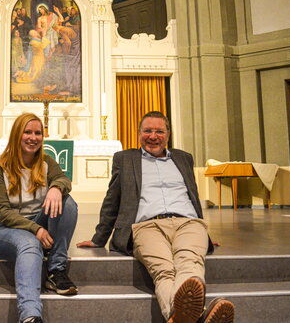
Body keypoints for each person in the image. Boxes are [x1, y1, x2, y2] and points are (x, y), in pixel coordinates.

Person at [77, 111, 234, 323]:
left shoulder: (183, 158)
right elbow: (112, 199)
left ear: (168, 134)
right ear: (138, 133)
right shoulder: (125, 159)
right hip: (147, 226)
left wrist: (203, 234)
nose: (153, 136)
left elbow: (192, 195)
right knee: (164, 270)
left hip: (188, 223)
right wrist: (98, 238)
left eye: (159, 131)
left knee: (189, 263)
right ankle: (196, 317)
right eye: (147, 131)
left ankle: (178, 316)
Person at [0, 113, 78, 323]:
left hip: (38, 223)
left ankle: (56, 271)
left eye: (38, 133)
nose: (33, 137)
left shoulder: (47, 162)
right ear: (17, 135)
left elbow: (63, 179)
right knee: (29, 243)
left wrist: (56, 187)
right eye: (27, 132)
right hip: (3, 231)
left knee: (67, 202)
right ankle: (30, 315)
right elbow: (2, 212)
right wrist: (34, 229)